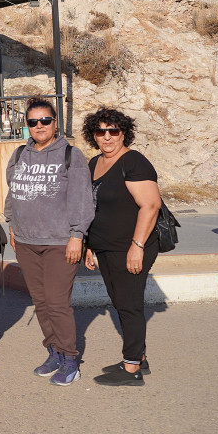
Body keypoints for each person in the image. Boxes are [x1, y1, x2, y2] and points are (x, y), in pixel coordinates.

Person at [5, 96, 94, 387]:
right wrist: (12, 226)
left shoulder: (71, 155)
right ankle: (53, 351)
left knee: (57, 303)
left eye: (45, 120)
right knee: (41, 303)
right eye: (33, 121)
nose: (39, 126)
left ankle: (70, 359)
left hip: (59, 242)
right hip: (27, 241)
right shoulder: (19, 155)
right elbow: (13, 192)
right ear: (27, 125)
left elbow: (83, 198)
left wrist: (77, 236)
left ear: (55, 123)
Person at [82, 109, 161, 387]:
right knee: (120, 302)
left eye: (113, 131)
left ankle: (131, 370)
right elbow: (94, 207)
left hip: (130, 246)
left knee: (129, 305)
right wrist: (89, 245)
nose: (107, 137)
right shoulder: (94, 163)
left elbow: (150, 206)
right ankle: (138, 356)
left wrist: (137, 246)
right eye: (100, 131)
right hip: (105, 247)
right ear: (93, 135)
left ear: (124, 133)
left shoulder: (134, 161)